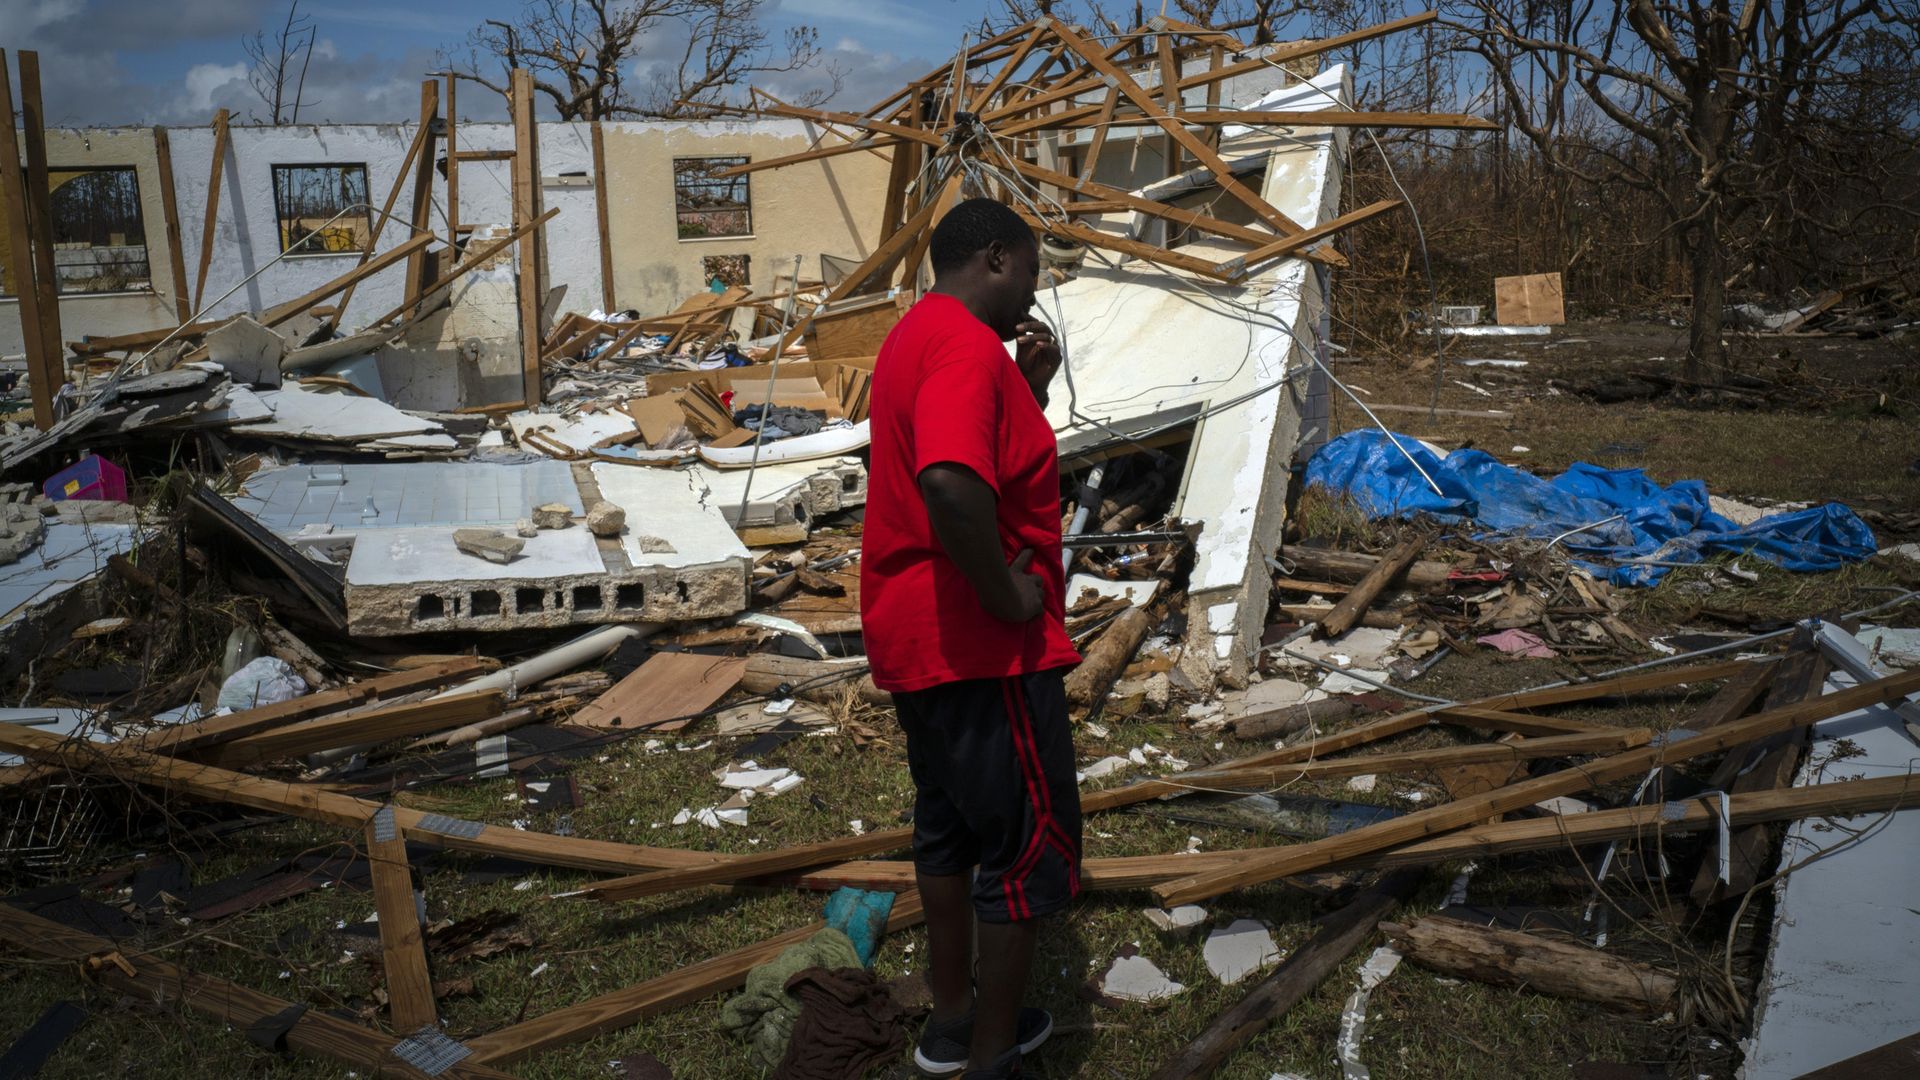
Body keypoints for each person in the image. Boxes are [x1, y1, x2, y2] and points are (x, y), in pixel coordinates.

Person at [860, 197, 1084, 1079]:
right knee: (1024, 845)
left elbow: (961, 455)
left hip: (921, 639)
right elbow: (952, 484)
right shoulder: (960, 346)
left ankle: (952, 1022)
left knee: (950, 831)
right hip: (980, 647)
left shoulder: (919, 335)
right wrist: (1009, 597)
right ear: (995, 258)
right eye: (1030, 269)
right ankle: (995, 1058)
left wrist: (1025, 387)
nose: (1034, 290)